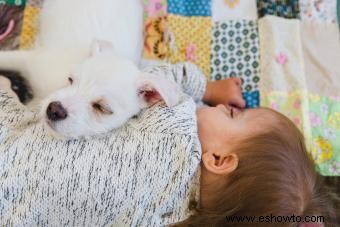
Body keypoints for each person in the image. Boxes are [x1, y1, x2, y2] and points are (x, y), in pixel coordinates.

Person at [0, 63, 337, 226]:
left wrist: (207, 89)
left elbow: (156, 77)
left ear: (219, 159)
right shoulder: (174, 218)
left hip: (16, 139)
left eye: (234, 115)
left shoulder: (175, 126)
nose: (223, 107)